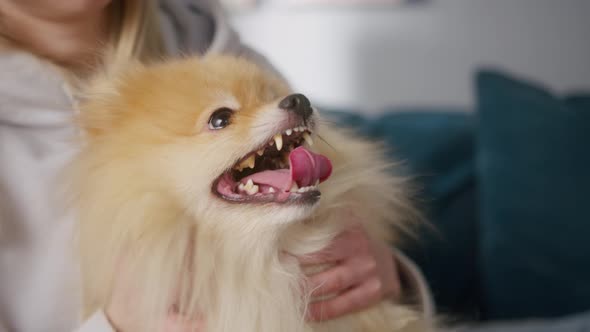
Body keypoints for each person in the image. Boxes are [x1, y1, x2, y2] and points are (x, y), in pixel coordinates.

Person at [0, 0, 432, 331]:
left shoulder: (208, 39)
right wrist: (115, 326)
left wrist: (386, 274)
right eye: (220, 119)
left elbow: (334, 196)